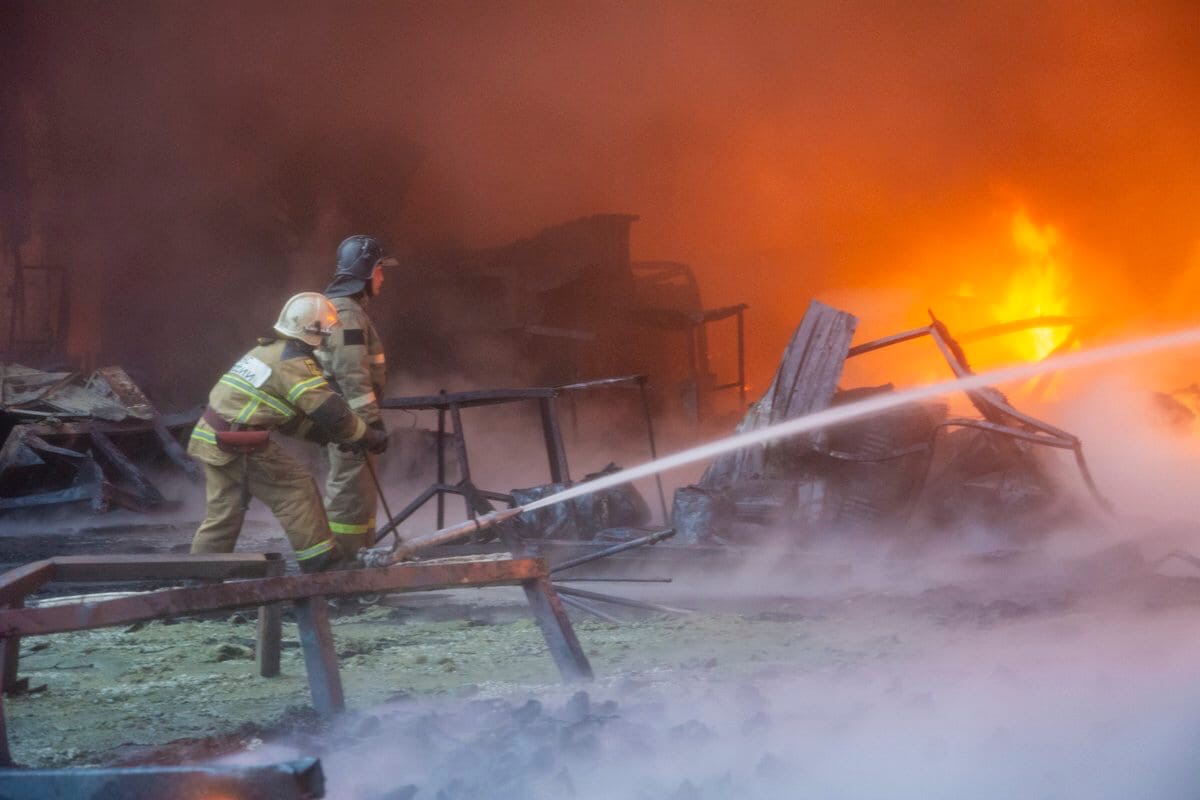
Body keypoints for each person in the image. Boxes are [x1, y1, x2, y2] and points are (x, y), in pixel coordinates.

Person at [189, 292, 387, 571]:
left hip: (211, 436)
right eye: (325, 332)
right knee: (297, 490)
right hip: (241, 443)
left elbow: (286, 418)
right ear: (313, 331)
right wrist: (367, 436)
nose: (327, 339)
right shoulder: (294, 363)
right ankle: (323, 565)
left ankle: (198, 575)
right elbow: (330, 410)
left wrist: (326, 436)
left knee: (223, 515)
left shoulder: (267, 352)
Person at [317, 234, 396, 554]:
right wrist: (370, 423)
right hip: (350, 421)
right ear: (365, 272)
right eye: (379, 270)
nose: (382, 278)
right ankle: (343, 564)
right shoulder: (347, 313)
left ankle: (362, 559)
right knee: (349, 495)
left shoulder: (347, 309)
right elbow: (351, 373)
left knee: (360, 494)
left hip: (349, 418)